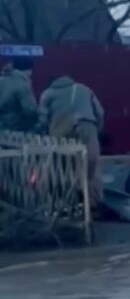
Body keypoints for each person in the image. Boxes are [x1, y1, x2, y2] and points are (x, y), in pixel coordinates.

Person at [37, 73, 105, 207]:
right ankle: (92, 202)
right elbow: (100, 112)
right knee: (91, 165)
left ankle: (66, 201)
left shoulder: (47, 94)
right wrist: (97, 129)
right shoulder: (84, 89)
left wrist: (44, 133)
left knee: (63, 166)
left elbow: (42, 119)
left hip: (60, 131)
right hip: (86, 126)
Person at [0, 57, 37, 132]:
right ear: (28, 70)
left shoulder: (2, 80)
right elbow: (30, 110)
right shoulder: (22, 84)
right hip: (15, 128)